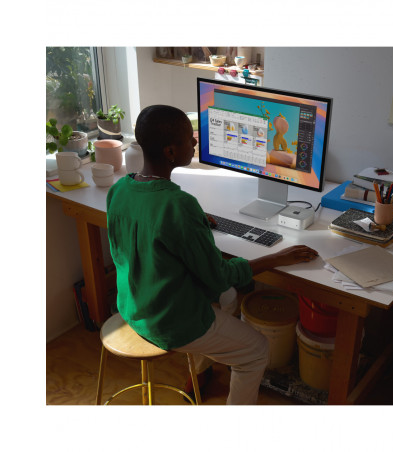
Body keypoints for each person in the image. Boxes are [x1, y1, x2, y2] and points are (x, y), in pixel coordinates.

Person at [106, 105, 319, 405]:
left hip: (134, 306)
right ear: (170, 151)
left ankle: (202, 367)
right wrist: (276, 258)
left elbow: (149, 234)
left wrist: (194, 223)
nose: (195, 141)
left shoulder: (120, 190)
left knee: (229, 299)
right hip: (168, 323)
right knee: (256, 350)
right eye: (188, 138)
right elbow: (219, 276)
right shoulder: (179, 205)